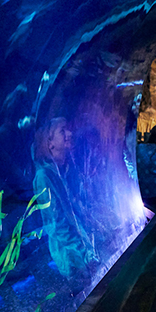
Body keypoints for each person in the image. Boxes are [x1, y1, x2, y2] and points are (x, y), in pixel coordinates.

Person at [32, 117, 99, 279]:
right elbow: (56, 224)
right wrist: (84, 254)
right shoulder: (44, 177)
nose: (70, 133)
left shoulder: (68, 168)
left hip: (88, 249)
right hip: (72, 259)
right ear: (50, 143)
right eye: (62, 131)